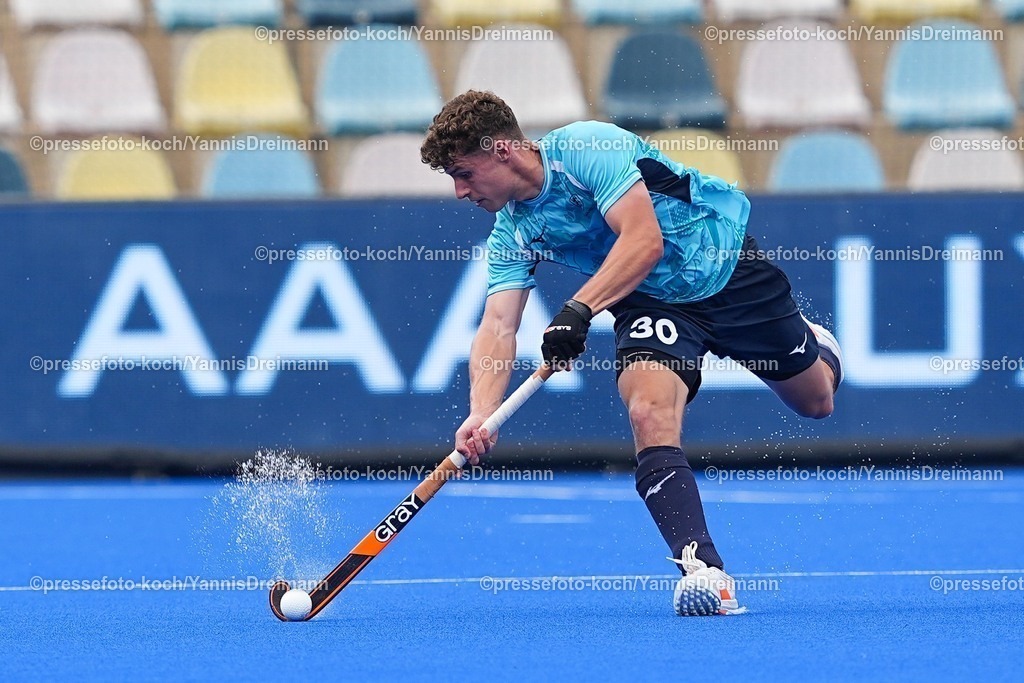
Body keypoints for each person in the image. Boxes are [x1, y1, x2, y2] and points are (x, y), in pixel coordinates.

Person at [419, 91, 843, 616]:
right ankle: (704, 569)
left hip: (726, 268)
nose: (460, 191)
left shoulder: (585, 148)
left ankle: (817, 344)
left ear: (502, 149)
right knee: (647, 411)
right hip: (649, 302)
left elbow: (644, 241)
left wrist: (578, 309)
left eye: (464, 172)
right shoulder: (511, 231)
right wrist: (482, 413)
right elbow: (499, 324)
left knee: (815, 401)